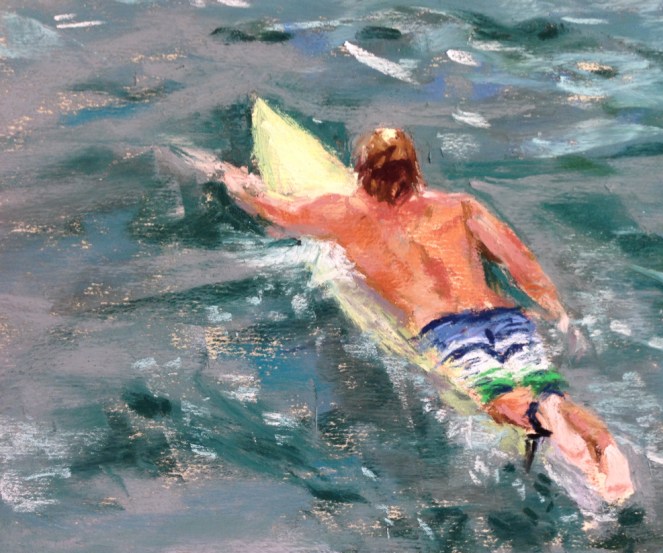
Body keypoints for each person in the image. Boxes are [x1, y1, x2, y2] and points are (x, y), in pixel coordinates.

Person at [216, 127, 635, 505]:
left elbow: (272, 209)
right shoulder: (459, 207)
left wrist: (233, 180)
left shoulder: (345, 213)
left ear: (362, 171)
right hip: (506, 318)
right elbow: (520, 263)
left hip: (448, 332)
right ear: (414, 169)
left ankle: (544, 423)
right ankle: (596, 440)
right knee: (549, 389)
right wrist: (558, 313)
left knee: (499, 399)